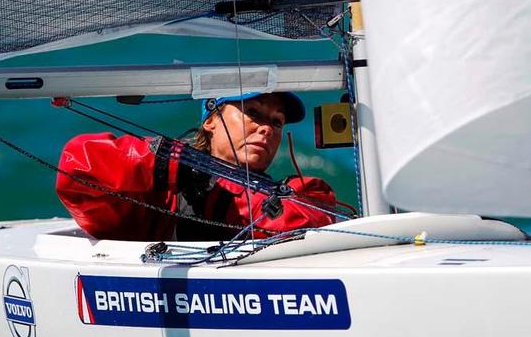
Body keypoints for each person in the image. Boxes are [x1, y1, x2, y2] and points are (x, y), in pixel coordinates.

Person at [56, 92, 338, 241]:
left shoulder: (297, 195)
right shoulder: (160, 196)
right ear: (210, 121)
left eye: (276, 122)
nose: (266, 128)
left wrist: (221, 192)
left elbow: (315, 220)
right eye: (252, 113)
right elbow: (78, 169)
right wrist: (164, 164)